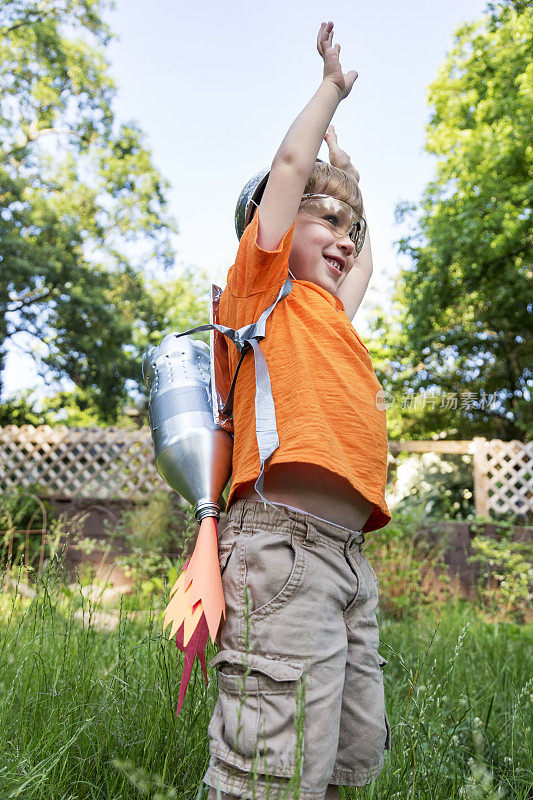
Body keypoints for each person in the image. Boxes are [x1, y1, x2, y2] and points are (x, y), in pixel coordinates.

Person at [204, 21, 391, 800]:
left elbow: (368, 263)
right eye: (326, 223)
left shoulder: (329, 317)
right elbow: (287, 168)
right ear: (273, 233)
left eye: (347, 230)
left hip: (347, 563)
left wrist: (354, 191)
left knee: (348, 755)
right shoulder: (260, 297)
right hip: (280, 552)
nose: (343, 242)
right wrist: (329, 89)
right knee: (269, 769)